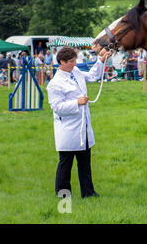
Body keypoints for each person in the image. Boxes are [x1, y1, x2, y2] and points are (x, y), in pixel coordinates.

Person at [46, 46, 112, 199]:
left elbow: (92, 76)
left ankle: (88, 192)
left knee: (85, 163)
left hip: (83, 126)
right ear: (61, 62)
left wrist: (101, 60)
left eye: (75, 60)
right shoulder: (55, 84)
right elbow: (57, 107)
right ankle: (63, 194)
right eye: (70, 61)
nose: (74, 64)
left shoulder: (75, 72)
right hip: (68, 129)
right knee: (65, 164)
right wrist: (77, 102)